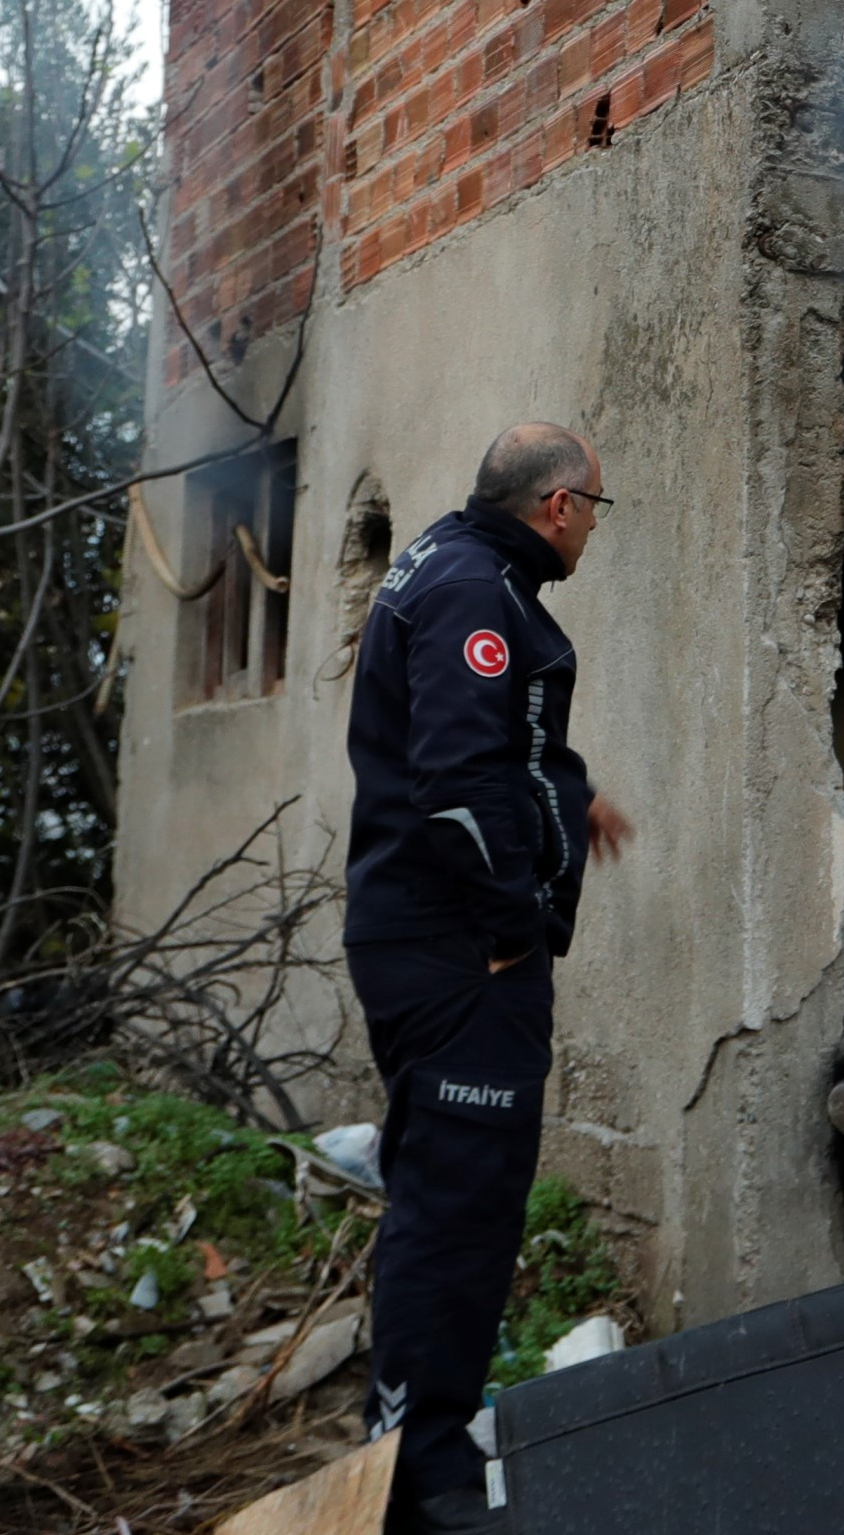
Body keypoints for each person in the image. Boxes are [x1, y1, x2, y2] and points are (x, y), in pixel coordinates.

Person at [344, 422, 634, 1535]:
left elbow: (499, 745)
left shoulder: (455, 565)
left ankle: (409, 1443)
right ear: (559, 505)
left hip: (425, 941)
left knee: (442, 1198)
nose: (596, 528)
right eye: (598, 506)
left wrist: (572, 791)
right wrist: (511, 923)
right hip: (458, 953)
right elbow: (458, 783)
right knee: (458, 1209)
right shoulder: (478, 593)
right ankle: (428, 1480)